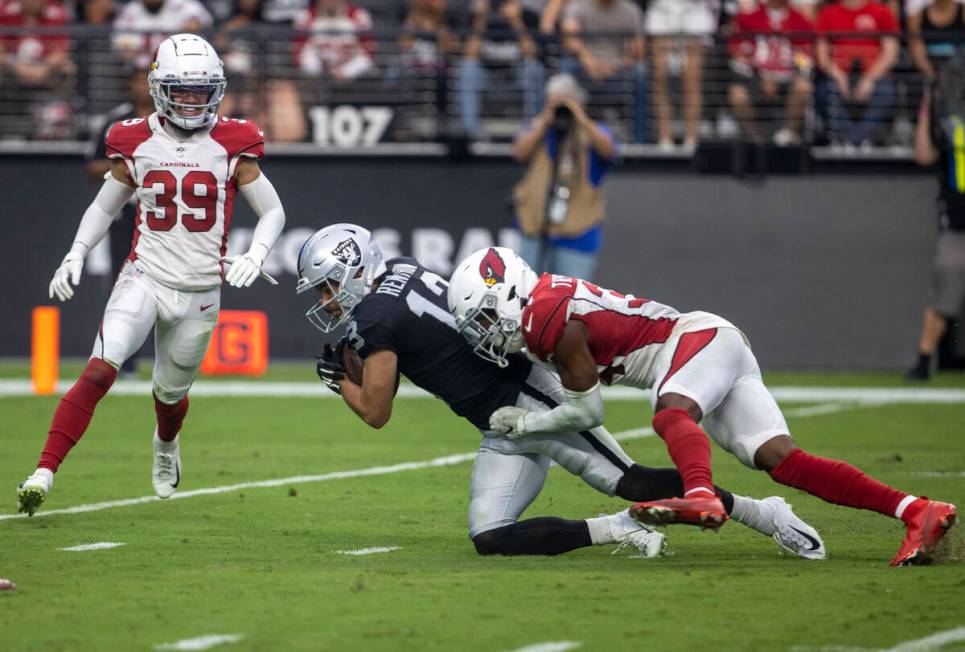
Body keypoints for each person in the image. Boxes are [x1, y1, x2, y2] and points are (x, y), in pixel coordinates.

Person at [296, 224, 826, 559]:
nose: (326, 298)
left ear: (354, 270)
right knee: (491, 536)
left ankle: (764, 513)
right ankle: (619, 531)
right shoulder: (403, 272)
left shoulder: (374, 315)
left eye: (327, 284)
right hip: (497, 422)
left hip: (529, 399)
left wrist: (339, 379)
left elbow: (376, 411)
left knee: (631, 479)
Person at [446, 247, 958, 566]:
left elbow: (587, 414)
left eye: (487, 317)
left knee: (669, 412)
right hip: (710, 344)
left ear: (508, 294)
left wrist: (527, 422)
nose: (487, 333)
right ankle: (916, 511)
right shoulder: (544, 304)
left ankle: (700, 496)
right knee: (783, 460)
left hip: (696, 339)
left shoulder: (547, 319)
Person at [16, 34, 287, 516]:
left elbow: (273, 211)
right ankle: (44, 470)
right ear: (160, 88)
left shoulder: (231, 141)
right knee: (101, 369)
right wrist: (76, 252)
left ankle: (166, 444)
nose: (192, 99)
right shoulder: (133, 137)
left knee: (169, 395)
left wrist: (258, 252)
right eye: (181, 89)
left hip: (201, 292)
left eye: (202, 89)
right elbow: (103, 208)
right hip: (145, 276)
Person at [83, 65, 157, 379]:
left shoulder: (171, 120)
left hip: (163, 213)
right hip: (127, 212)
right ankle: (119, 360)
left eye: (146, 81)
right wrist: (127, 167)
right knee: (121, 283)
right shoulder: (118, 121)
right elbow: (92, 164)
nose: (142, 87)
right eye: (137, 80)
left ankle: (166, 361)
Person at [512, 73, 614, 281]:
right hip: (536, 228)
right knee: (526, 298)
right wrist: (546, 117)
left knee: (573, 304)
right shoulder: (542, 128)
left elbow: (608, 149)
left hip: (577, 234)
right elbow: (519, 151)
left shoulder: (591, 132)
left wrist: (580, 117)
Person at [906, 56, 965, 381]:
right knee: (945, 284)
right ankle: (924, 359)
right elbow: (923, 154)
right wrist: (928, 106)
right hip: (959, 221)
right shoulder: (952, 122)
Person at [727, 0, 815, 145]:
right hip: (755, 77)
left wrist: (791, 67)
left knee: (804, 87)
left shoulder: (799, 20)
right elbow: (738, 54)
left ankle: (787, 135)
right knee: (737, 95)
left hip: (788, 78)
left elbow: (807, 58)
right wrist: (759, 74)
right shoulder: (750, 19)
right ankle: (755, 140)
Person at [560, 0, 648, 143]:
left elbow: (638, 50)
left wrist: (617, 64)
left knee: (641, 72)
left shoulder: (631, 10)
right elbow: (570, 38)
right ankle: (566, 139)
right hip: (584, 69)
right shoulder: (577, 6)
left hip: (619, 71)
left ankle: (639, 140)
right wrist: (589, 61)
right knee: (566, 69)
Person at [815, 0, 899, 148]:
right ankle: (849, 139)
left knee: (886, 92)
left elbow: (890, 53)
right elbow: (822, 57)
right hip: (838, 74)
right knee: (825, 91)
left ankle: (861, 139)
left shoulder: (881, 12)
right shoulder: (827, 13)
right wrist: (839, 76)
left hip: (874, 75)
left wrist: (870, 78)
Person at [456, 0, 544, 139]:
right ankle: (470, 132)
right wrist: (480, 20)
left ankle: (530, 131)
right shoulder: (475, 16)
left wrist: (516, 21)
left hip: (515, 75)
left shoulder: (528, 16)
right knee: (468, 69)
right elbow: (469, 55)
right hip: (487, 76)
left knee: (534, 68)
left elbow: (532, 54)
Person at [645, 0, 717, 150]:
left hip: (695, 13)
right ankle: (665, 139)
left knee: (692, 83)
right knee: (661, 78)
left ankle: (691, 140)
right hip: (661, 11)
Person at [113, 0, 214, 68]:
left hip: (180, 66)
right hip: (144, 70)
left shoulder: (181, 4)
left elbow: (200, 22)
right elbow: (122, 48)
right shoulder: (130, 11)